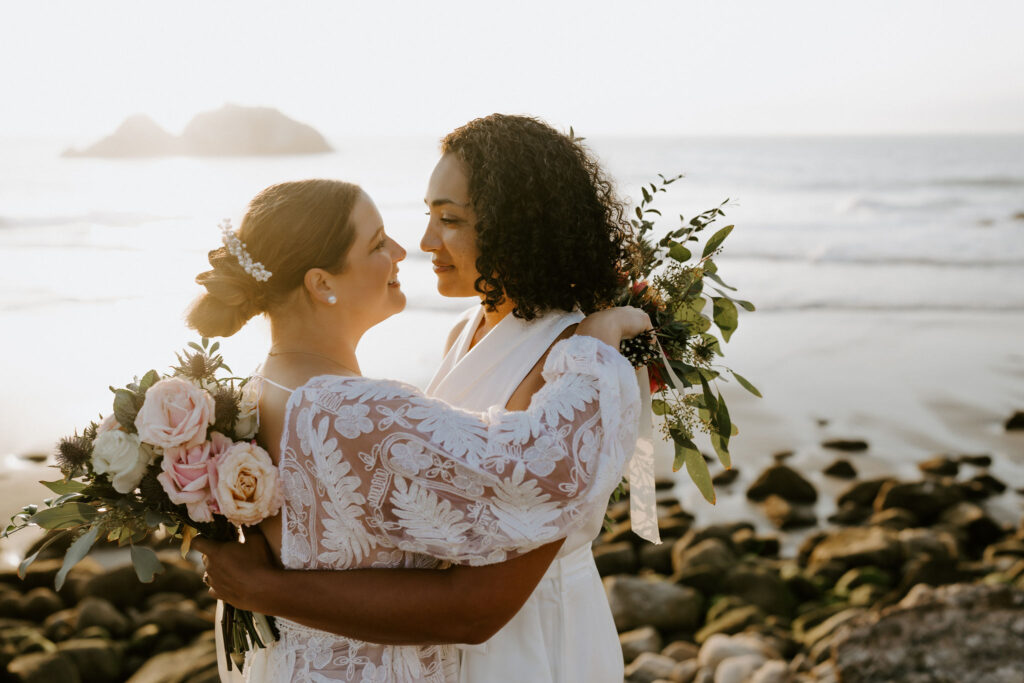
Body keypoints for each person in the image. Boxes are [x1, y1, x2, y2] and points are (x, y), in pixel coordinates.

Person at [189, 177, 649, 682]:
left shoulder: (256, 394)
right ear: (322, 284)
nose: (402, 250)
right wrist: (596, 349)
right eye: (377, 243)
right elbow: (537, 468)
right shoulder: (349, 410)